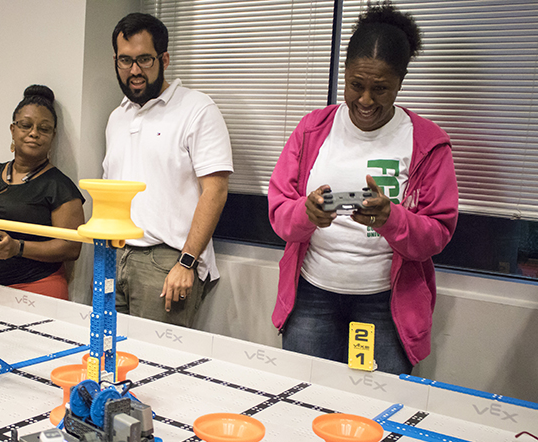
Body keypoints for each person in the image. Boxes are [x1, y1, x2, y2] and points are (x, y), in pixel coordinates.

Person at [268, 1, 459, 375]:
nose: (366, 100)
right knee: (304, 404)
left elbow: (437, 233)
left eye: (381, 88)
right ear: (344, 73)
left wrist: (392, 218)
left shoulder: (426, 142)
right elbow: (278, 214)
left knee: (378, 415)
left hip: (386, 306)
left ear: (401, 82)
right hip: (312, 297)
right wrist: (306, 214)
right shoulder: (312, 130)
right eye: (356, 85)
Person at [102, 13, 234, 328]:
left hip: (168, 261)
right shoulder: (116, 118)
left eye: (144, 60)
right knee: (109, 354)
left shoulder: (197, 109)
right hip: (117, 257)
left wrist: (186, 262)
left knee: (156, 366)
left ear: (164, 58)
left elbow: (215, 191)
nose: (134, 71)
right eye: (125, 60)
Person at [0, 85, 85, 300]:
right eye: (26, 125)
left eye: (44, 128)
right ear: (13, 130)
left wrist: (18, 248)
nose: (34, 133)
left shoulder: (59, 186)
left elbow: (71, 248)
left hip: (36, 289)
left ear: (53, 135)